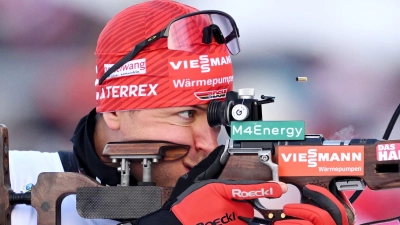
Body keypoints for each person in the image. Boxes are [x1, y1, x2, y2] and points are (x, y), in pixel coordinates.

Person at [8, 0, 351, 224]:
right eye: (186, 114)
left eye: (215, 118)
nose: (208, 142)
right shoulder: (17, 176)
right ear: (115, 108)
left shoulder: (234, 202)